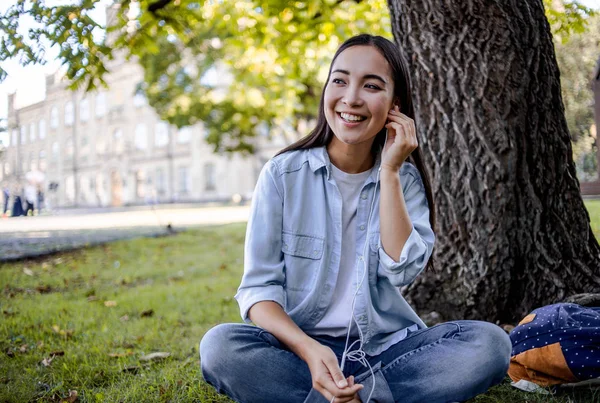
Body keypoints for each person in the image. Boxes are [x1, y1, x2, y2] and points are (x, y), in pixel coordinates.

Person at [200, 34, 511, 403]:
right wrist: (310, 351)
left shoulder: (404, 180)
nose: (351, 98)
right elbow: (258, 292)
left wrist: (391, 171)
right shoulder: (282, 174)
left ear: (395, 105)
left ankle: (339, 397)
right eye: (340, 80)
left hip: (386, 352)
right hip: (300, 353)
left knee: (490, 343)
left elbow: (402, 269)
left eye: (371, 85)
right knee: (220, 346)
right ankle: (369, 397)